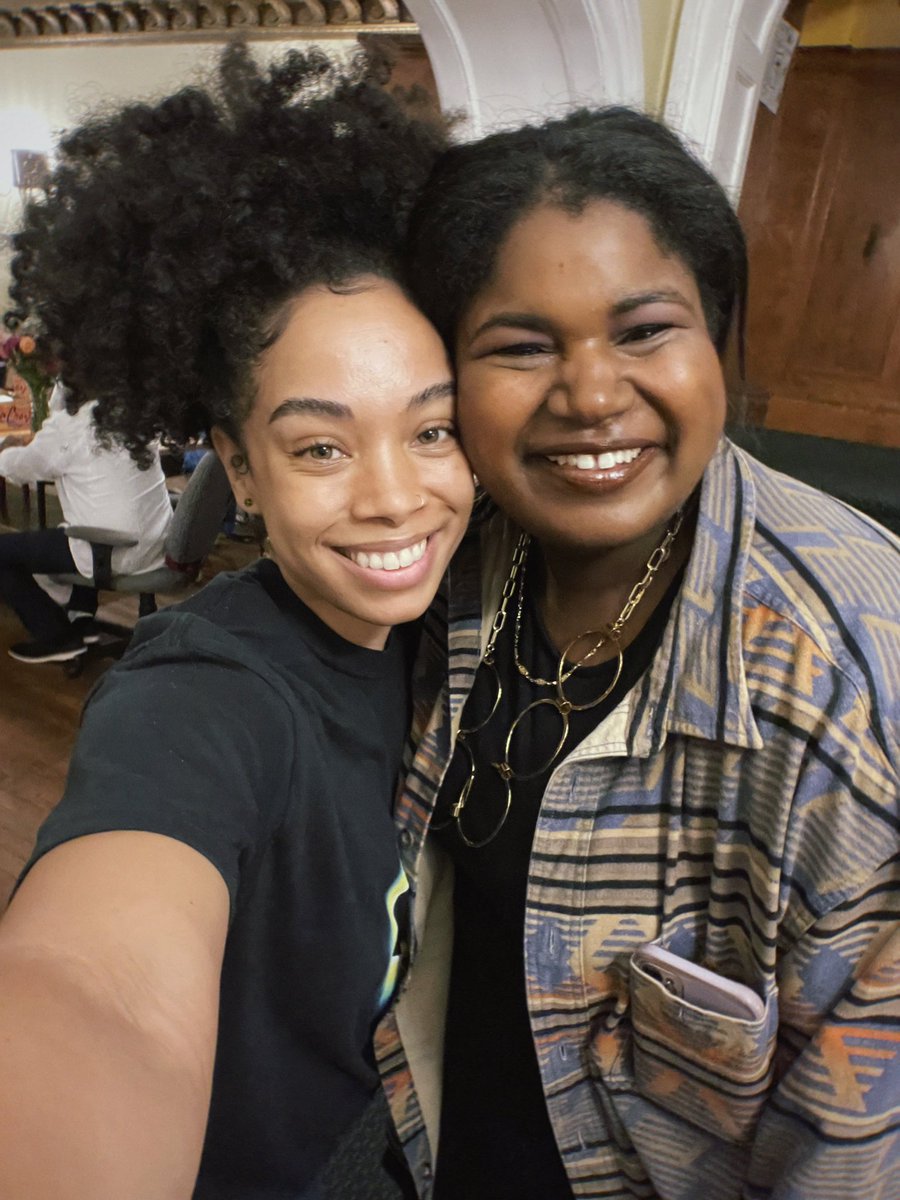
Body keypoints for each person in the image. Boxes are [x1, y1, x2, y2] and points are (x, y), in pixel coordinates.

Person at [375, 108, 900, 1198]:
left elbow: (854, 1161)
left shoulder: (847, 687)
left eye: (646, 329)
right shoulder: (452, 562)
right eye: (521, 346)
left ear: (718, 338)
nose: (593, 394)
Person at [0, 46, 473, 1200]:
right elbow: (97, 990)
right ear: (241, 472)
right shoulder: (203, 694)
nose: (393, 495)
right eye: (320, 445)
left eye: (432, 430)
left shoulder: (471, 624)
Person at [0, 379, 172, 662]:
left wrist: (5, 451)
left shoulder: (73, 424)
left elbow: (21, 468)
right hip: (157, 543)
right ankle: (83, 620)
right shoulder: (133, 411)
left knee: (7, 551)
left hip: (114, 549)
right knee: (75, 526)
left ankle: (55, 636)